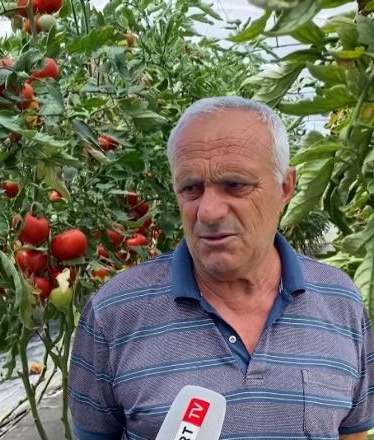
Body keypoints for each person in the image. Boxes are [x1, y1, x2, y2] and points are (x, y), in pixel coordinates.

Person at [69, 96, 374, 439]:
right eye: (191, 188)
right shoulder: (113, 314)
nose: (209, 211)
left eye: (236, 185)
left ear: (285, 187)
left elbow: (352, 433)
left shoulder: (340, 302)